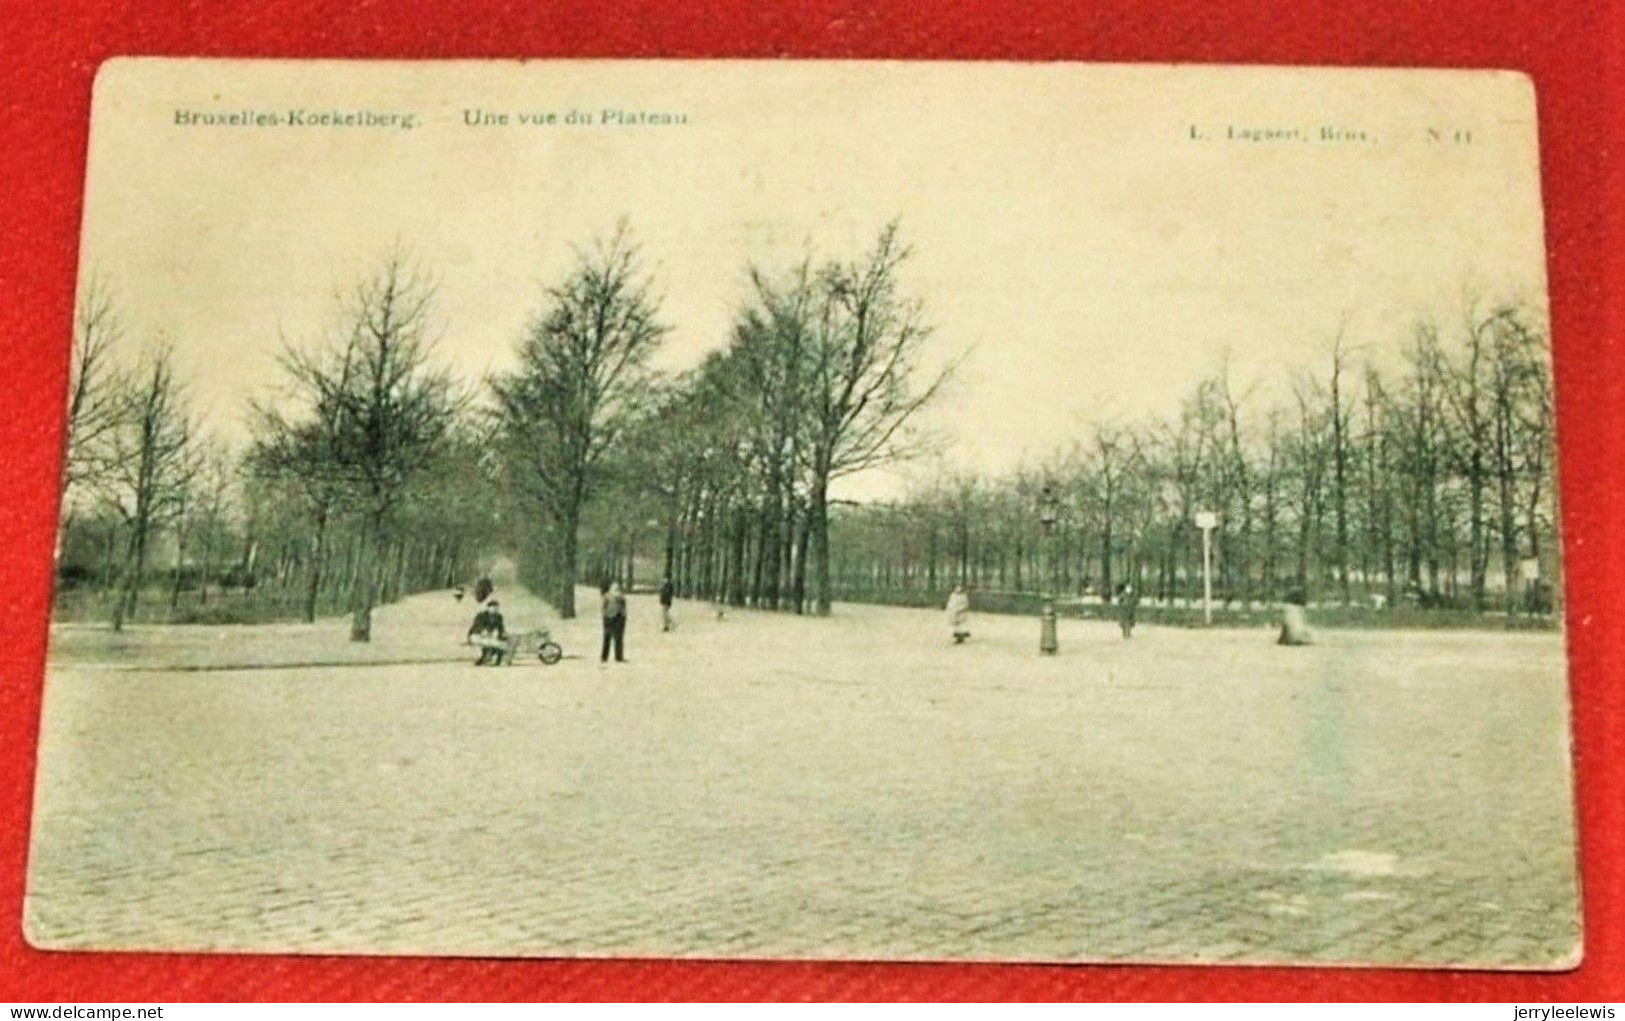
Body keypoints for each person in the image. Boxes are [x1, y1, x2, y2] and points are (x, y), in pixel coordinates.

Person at [467, 598, 507, 665]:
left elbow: (501, 628)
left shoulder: (499, 617)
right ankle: (484, 657)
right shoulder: (481, 615)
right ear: (488, 608)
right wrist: (484, 631)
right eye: (493, 608)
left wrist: (501, 634)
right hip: (476, 634)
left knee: (499, 643)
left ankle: (489, 657)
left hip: (489, 637)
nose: (495, 610)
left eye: (496, 608)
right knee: (486, 642)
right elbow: (477, 626)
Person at [601, 581, 628, 664]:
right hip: (612, 619)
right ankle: (607, 656)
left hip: (617, 618)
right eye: (614, 589)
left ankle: (616, 656)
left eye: (617, 589)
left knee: (616, 638)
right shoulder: (608, 597)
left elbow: (624, 608)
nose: (616, 591)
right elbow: (603, 608)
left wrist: (623, 616)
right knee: (610, 638)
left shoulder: (621, 597)